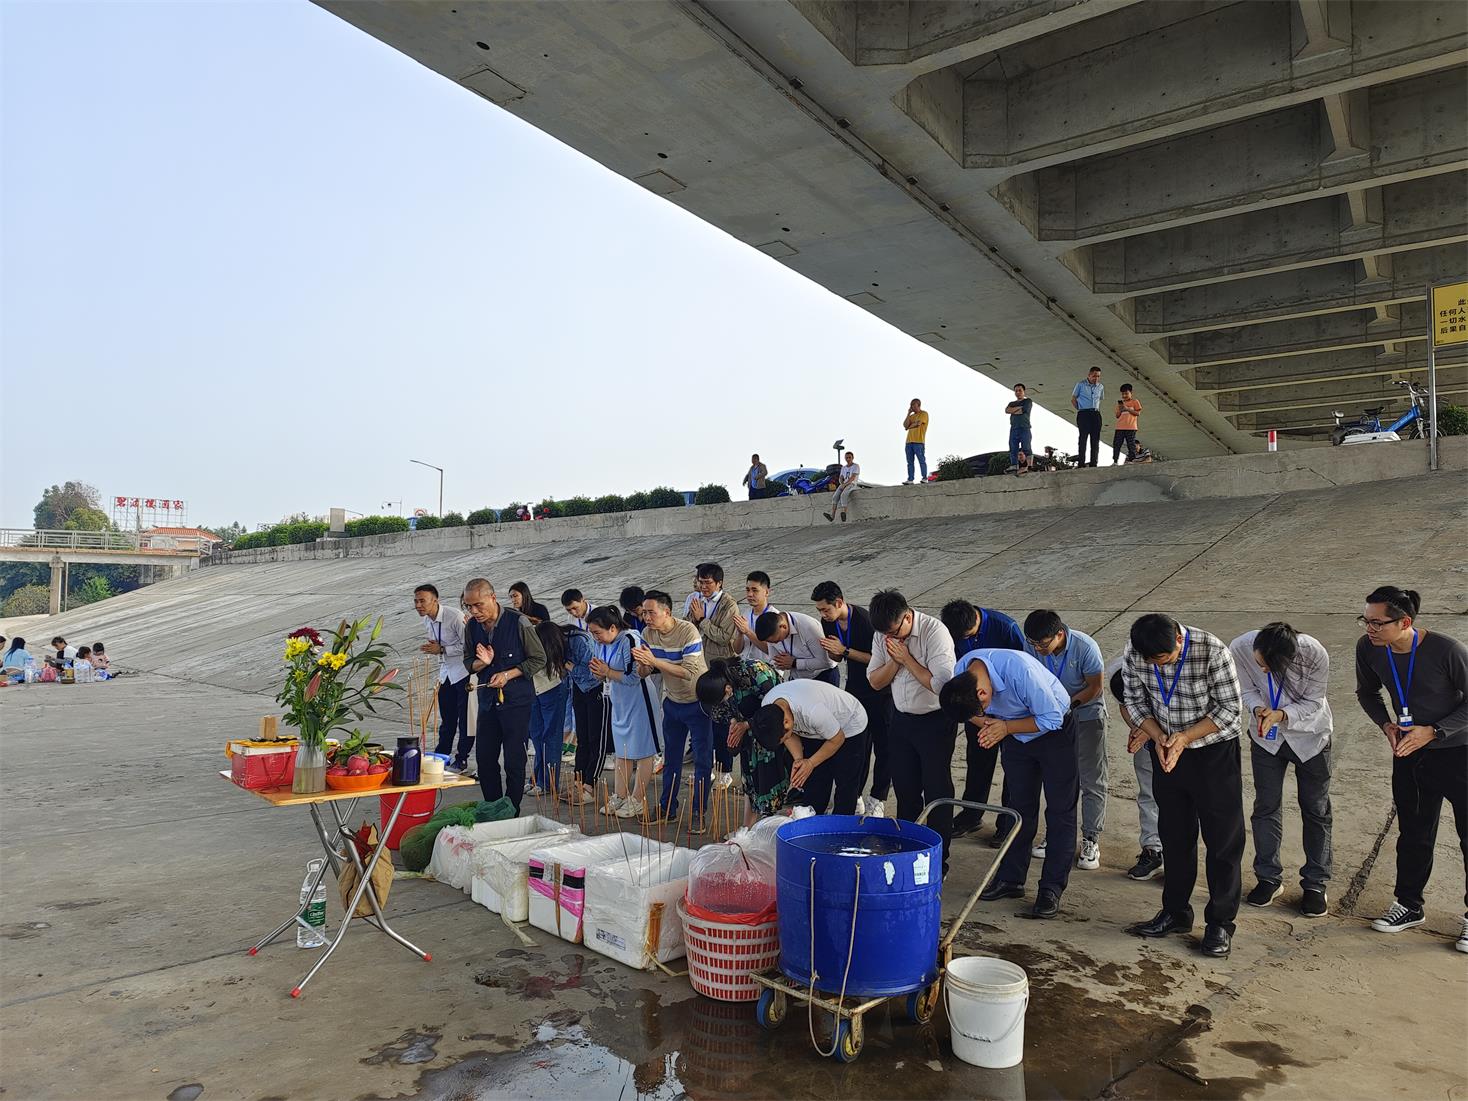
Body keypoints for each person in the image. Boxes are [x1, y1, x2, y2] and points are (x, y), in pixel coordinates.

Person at [1122, 614, 1244, 959]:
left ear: (1178, 640)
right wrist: (1159, 736)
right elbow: (1135, 702)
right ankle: (1175, 913)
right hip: (1163, 748)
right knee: (1174, 835)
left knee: (1223, 840)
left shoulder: (1212, 650)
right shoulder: (1136, 652)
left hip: (1212, 752)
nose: (1155, 666)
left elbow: (1230, 710)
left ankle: (1220, 923)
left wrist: (1184, 738)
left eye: (1162, 660)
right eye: (1150, 661)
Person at [1354, 585, 1467, 951]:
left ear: (1404, 622)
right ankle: (1408, 905)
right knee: (1414, 833)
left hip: (1458, 752)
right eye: (1366, 620)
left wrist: (1434, 731)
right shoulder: (1369, 649)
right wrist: (1385, 723)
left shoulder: (1446, 650)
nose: (1369, 629)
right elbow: (1366, 693)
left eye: (1377, 623)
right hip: (1408, 752)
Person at [940, 648, 1075, 918]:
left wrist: (1004, 728)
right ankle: (1010, 879)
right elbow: (974, 715)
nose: (983, 712)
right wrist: (988, 724)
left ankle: (1050, 889)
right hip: (1014, 738)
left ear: (982, 693)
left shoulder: (1019, 671)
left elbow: (1052, 718)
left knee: (1060, 811)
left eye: (983, 708)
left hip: (1053, 734)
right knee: (1018, 808)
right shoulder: (962, 675)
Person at [1229, 623, 1333, 917]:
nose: (1262, 670)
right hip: (1266, 738)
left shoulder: (1313, 653)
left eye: (1268, 667)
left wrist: (1283, 714)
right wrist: (1259, 710)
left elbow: (1314, 701)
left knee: (1315, 808)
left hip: (1310, 737)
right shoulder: (1240, 647)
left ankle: (1315, 884)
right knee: (1265, 806)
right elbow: (1245, 689)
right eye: (1259, 663)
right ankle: (1268, 878)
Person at [868, 589, 958, 873]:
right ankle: (909, 852)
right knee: (906, 789)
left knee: (936, 788)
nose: (892, 640)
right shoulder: (885, 635)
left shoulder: (935, 632)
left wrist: (906, 659)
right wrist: (894, 660)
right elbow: (875, 681)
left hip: (935, 720)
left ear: (907, 616)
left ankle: (939, 859)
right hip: (900, 719)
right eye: (887, 636)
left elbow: (942, 685)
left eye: (896, 632)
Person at [1024, 611, 1107, 871]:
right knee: (1058, 778)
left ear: (1060, 634)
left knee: (1091, 779)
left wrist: (1065, 706)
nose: (1038, 649)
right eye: (1034, 644)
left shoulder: (1085, 647)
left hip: (1085, 716)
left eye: (1043, 644)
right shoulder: (1033, 646)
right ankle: (1057, 834)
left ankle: (1091, 839)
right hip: (1050, 719)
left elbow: (1095, 688)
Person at [940, 600, 1025, 841]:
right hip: (976, 709)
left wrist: (1007, 721)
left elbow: (1021, 665)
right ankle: (971, 815)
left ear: (976, 620)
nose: (964, 641)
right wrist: (979, 718)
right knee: (977, 764)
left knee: (1013, 768)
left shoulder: (1005, 628)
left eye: (968, 636)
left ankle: (1007, 824)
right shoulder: (954, 630)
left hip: (1009, 710)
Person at [463, 578, 547, 811]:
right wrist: (482, 663)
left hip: (516, 702)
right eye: (469, 606)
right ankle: (492, 806)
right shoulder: (472, 627)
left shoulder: (518, 622)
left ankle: (511, 808)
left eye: (478, 605)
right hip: (488, 702)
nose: (474, 611)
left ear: (493, 598)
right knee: (485, 758)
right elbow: (468, 663)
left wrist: (508, 674)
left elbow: (539, 659)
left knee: (514, 760)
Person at [634, 590, 713, 831]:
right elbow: (645, 670)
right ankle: (667, 807)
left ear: (666, 612)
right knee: (671, 760)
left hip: (698, 702)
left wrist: (654, 662)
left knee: (703, 761)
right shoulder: (648, 633)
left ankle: (699, 812)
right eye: (644, 612)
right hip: (673, 702)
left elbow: (688, 671)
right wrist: (643, 665)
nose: (646, 617)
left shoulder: (687, 631)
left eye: (651, 612)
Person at [813, 582, 892, 808]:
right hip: (855, 688)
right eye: (819, 610)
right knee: (857, 743)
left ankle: (878, 798)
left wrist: (844, 651)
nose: (823, 614)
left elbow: (878, 659)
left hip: (880, 690)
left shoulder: (866, 622)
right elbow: (837, 657)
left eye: (825, 609)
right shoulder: (828, 623)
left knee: (883, 745)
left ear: (839, 603)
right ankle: (855, 793)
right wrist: (834, 652)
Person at [751, 679, 869, 815]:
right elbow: (789, 736)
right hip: (814, 730)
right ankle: (811, 818)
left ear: (786, 722)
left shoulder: (812, 711)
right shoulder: (768, 708)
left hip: (848, 723)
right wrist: (799, 759)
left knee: (846, 781)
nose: (786, 739)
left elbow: (837, 739)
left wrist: (811, 762)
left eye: (785, 736)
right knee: (815, 780)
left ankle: (841, 825)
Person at [587, 606, 659, 818]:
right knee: (622, 750)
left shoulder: (629, 640)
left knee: (643, 750)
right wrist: (600, 674)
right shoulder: (603, 643)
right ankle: (619, 795)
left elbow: (634, 676)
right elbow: (603, 671)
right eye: (592, 633)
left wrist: (607, 672)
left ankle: (637, 799)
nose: (595, 637)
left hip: (639, 700)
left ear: (612, 627)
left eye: (597, 633)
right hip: (618, 701)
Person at [698, 657, 786, 824]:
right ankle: (747, 830)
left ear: (728, 689)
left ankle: (769, 827)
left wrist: (747, 724)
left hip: (771, 729)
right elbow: (721, 710)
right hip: (747, 733)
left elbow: (777, 708)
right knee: (750, 777)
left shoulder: (755, 672)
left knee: (768, 779)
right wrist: (733, 723)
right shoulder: (716, 686)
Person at [686, 563, 743, 788]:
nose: (703, 587)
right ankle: (705, 768)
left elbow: (724, 637)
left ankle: (725, 770)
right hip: (701, 667)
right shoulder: (695, 599)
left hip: (721, 670)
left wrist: (702, 621)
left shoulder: (729, 605)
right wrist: (694, 620)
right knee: (702, 722)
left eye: (708, 583)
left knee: (722, 723)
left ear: (719, 583)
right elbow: (688, 628)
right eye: (701, 582)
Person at [1107, 654, 1163, 881]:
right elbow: (1125, 707)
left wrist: (1151, 730)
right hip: (1148, 739)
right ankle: (1152, 851)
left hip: (1179, 735)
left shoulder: (1161, 672)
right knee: (1149, 793)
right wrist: (1138, 729)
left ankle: (1179, 858)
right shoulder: (1117, 674)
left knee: (1182, 800)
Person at [415, 583, 473, 771]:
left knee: (466, 720)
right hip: (446, 673)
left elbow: (468, 646)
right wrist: (438, 651)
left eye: (422, 601)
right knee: (447, 719)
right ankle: (442, 755)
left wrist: (442, 649)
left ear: (435, 600)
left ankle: (462, 758)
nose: (418, 605)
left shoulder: (454, 616)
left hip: (463, 673)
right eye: (416, 601)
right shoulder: (427, 620)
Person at [528, 622, 570, 798]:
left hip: (552, 689)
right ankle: (537, 779)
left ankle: (548, 782)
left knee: (550, 737)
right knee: (537, 735)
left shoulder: (550, 646)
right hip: (535, 689)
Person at [755, 609, 838, 684]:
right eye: (771, 642)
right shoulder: (771, 631)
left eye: (778, 640)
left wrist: (794, 663)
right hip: (797, 678)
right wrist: (780, 664)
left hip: (823, 676)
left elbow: (827, 662)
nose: (775, 644)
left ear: (783, 627)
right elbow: (774, 660)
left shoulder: (808, 627)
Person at [733, 571, 777, 661]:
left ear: (767, 592)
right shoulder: (746, 614)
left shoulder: (775, 617)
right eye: (747, 590)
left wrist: (748, 631)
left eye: (755, 590)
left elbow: (772, 650)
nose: (749, 594)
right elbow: (737, 650)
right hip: (746, 668)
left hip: (767, 670)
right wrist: (740, 634)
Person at [1071, 366, 1103, 468]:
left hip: (1095, 413)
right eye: (1094, 376)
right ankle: (1081, 463)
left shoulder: (1101, 387)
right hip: (1084, 413)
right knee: (1083, 438)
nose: (1096, 378)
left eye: (1098, 376)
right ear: (1089, 375)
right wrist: (1080, 408)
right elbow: (1073, 399)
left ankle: (1094, 462)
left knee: (1095, 439)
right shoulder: (1080, 384)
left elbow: (1100, 398)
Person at [823, 451, 860, 523]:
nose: (848, 459)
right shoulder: (843, 468)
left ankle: (844, 513)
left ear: (852, 458)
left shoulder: (856, 466)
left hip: (852, 484)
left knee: (843, 495)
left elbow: (852, 478)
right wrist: (842, 483)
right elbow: (841, 477)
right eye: (847, 458)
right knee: (835, 497)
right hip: (844, 484)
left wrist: (844, 485)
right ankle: (832, 516)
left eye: (849, 457)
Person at [1005, 384, 1034, 474]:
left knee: (1026, 447)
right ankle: (1014, 465)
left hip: (1024, 427)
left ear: (1024, 391)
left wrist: (1013, 410)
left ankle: (1029, 466)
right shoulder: (1011, 403)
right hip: (1014, 428)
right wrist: (1017, 409)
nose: (1018, 392)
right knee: (1013, 447)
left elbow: (1023, 410)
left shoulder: (1027, 401)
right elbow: (1007, 410)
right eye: (1016, 391)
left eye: (1020, 390)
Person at [1113, 384, 1142, 464]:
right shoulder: (1120, 404)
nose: (1124, 395)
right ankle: (1115, 461)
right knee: (1117, 444)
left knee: (1131, 444)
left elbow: (1137, 413)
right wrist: (1121, 409)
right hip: (1119, 427)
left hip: (1131, 427)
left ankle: (1132, 460)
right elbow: (1117, 416)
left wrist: (1127, 409)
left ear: (1131, 392)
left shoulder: (1135, 401)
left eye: (1126, 393)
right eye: (1122, 394)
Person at [903, 398, 929, 484]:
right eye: (911, 405)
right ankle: (910, 479)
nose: (912, 406)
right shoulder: (911, 416)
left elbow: (918, 423)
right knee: (909, 462)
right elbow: (905, 425)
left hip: (919, 442)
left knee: (921, 460)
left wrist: (908, 427)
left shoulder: (924, 414)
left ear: (918, 405)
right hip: (909, 442)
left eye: (913, 405)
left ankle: (924, 478)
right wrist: (908, 413)